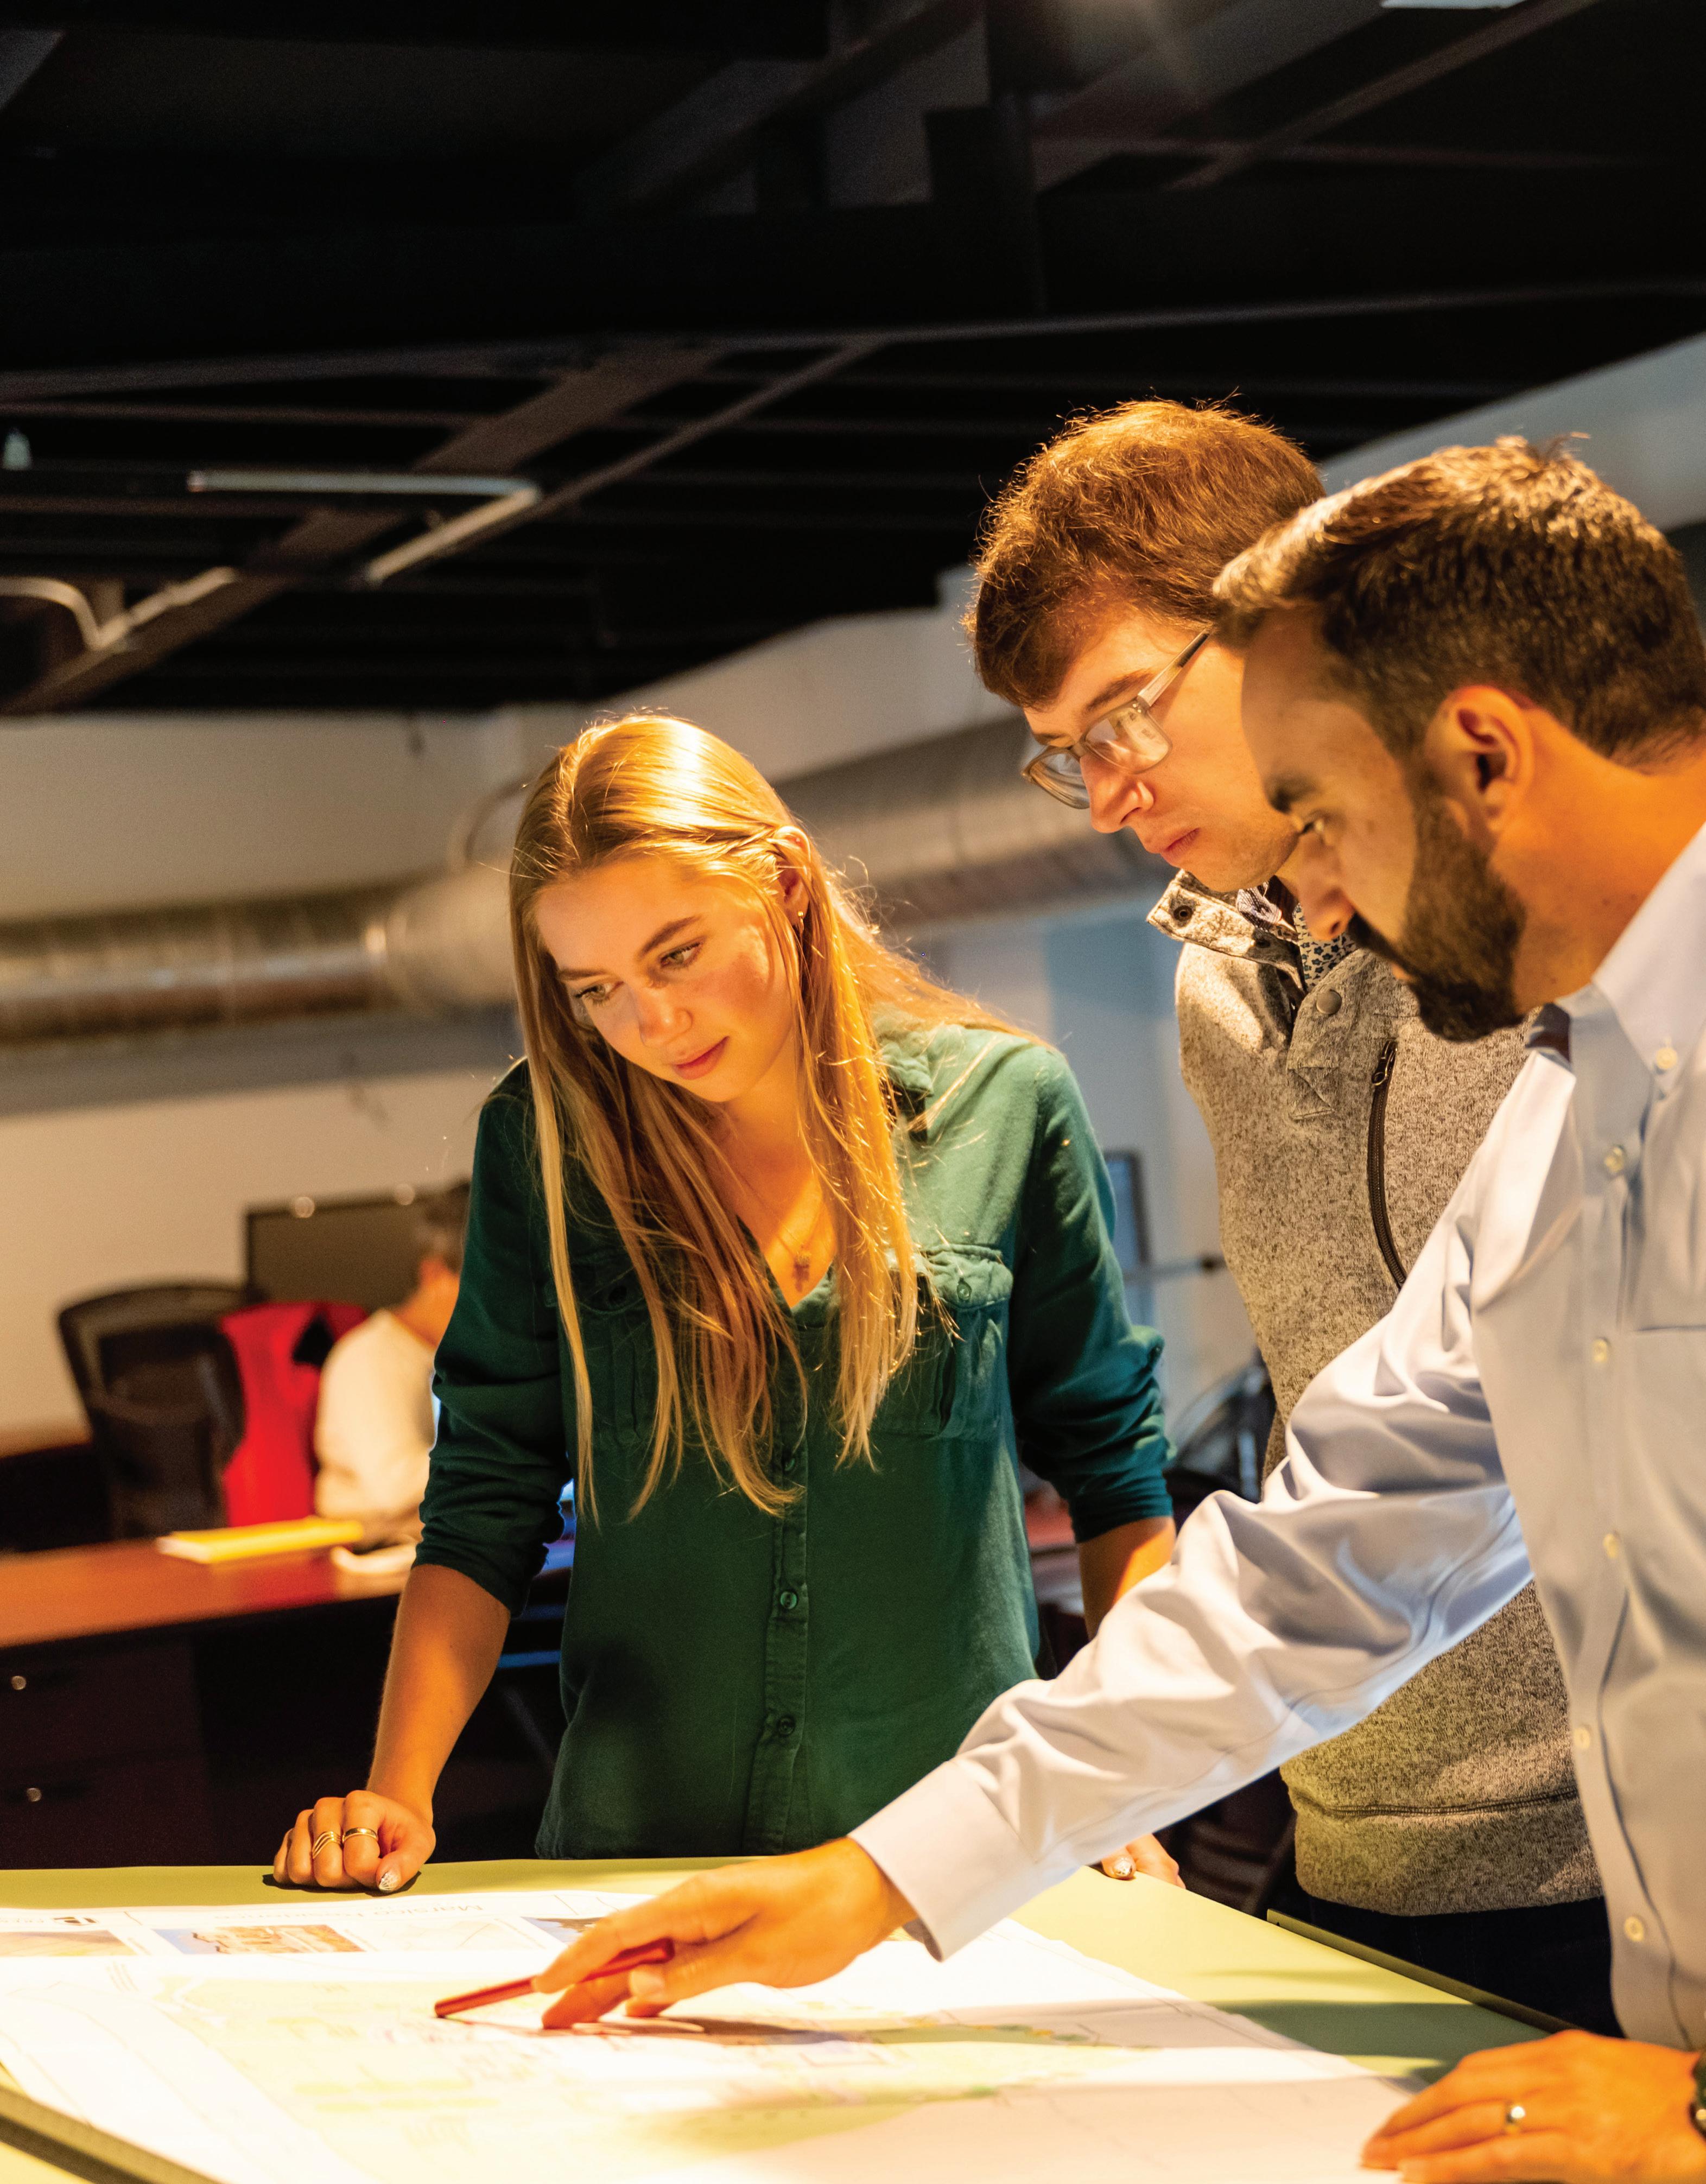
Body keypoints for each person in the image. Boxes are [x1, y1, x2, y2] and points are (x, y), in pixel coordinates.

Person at [537, 447, 1706, 2184]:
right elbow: (1331, 1559)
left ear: (1479, 751)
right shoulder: (1566, 1103)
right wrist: (882, 1877)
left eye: (1318, 817)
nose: (1313, 895)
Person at [275, 714, 1174, 1893]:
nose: (651, 1025)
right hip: (642, 1863)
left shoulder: (1003, 1102)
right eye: (596, 989)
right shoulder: (547, 1142)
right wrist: (397, 1793)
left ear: (786, 884)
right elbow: (484, 1499)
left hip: (946, 1863)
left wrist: (1117, 1779)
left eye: (677, 954)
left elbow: (1114, 1475)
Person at [962, 399, 1606, 2027]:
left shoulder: (1552, 950)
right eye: (1069, 750)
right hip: (1356, 1817)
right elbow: (1382, 1460)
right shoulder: (1213, 985)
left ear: (1288, 627)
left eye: (1126, 714)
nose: (1106, 793)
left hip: (1613, 1839)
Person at [313, 1182, 468, 1537]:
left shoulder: (450, 1355)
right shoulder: (371, 1358)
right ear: (435, 1275)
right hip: (378, 1550)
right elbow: (396, 1485)